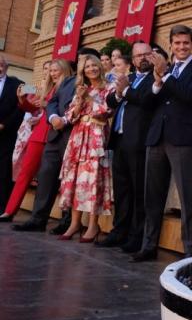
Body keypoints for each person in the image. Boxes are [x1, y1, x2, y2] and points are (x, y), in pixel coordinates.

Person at [132, 24, 192, 262]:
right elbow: (147, 102)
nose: (181, 47)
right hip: (157, 136)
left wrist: (165, 75)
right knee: (152, 195)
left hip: (184, 139)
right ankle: (148, 245)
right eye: (177, 43)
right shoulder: (160, 70)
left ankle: (190, 252)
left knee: (188, 196)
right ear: (171, 45)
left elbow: (190, 96)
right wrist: (157, 83)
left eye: (186, 43)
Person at [12, 47, 102, 233]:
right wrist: (53, 117)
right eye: (82, 61)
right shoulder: (66, 82)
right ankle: (38, 219)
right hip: (54, 134)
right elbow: (50, 101)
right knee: (46, 177)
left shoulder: (97, 84)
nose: (84, 65)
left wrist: (65, 119)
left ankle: (67, 223)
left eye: (88, 62)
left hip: (76, 136)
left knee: (70, 180)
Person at [97, 42, 156, 252]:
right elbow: (111, 100)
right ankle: (119, 231)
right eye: (139, 55)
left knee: (138, 190)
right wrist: (119, 93)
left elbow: (145, 99)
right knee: (121, 190)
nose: (143, 58)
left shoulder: (156, 79)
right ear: (133, 59)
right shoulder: (128, 77)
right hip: (120, 139)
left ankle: (136, 235)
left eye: (147, 54)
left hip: (139, 141)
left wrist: (125, 90)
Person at [1, 60, 73, 222]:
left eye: (54, 70)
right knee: (25, 173)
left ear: (64, 70)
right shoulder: (42, 87)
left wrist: (47, 104)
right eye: (48, 70)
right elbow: (31, 107)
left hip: (58, 134)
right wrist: (21, 99)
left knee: (52, 178)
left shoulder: (70, 86)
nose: (51, 73)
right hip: (39, 134)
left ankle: (48, 217)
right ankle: (9, 211)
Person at [57, 55, 113, 242]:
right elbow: (70, 116)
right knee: (75, 179)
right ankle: (75, 223)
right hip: (78, 137)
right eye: (87, 67)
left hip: (96, 137)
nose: (91, 69)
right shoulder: (81, 89)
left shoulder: (109, 87)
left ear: (100, 67)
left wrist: (89, 98)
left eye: (94, 65)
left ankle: (93, 225)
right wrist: (80, 100)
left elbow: (107, 111)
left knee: (93, 179)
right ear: (83, 71)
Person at [0, 55, 24, 213]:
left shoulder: (19, 84)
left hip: (6, 134)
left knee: (3, 170)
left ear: (7, 67)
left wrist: (5, 124)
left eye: (1, 65)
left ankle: (2, 207)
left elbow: (23, 106)